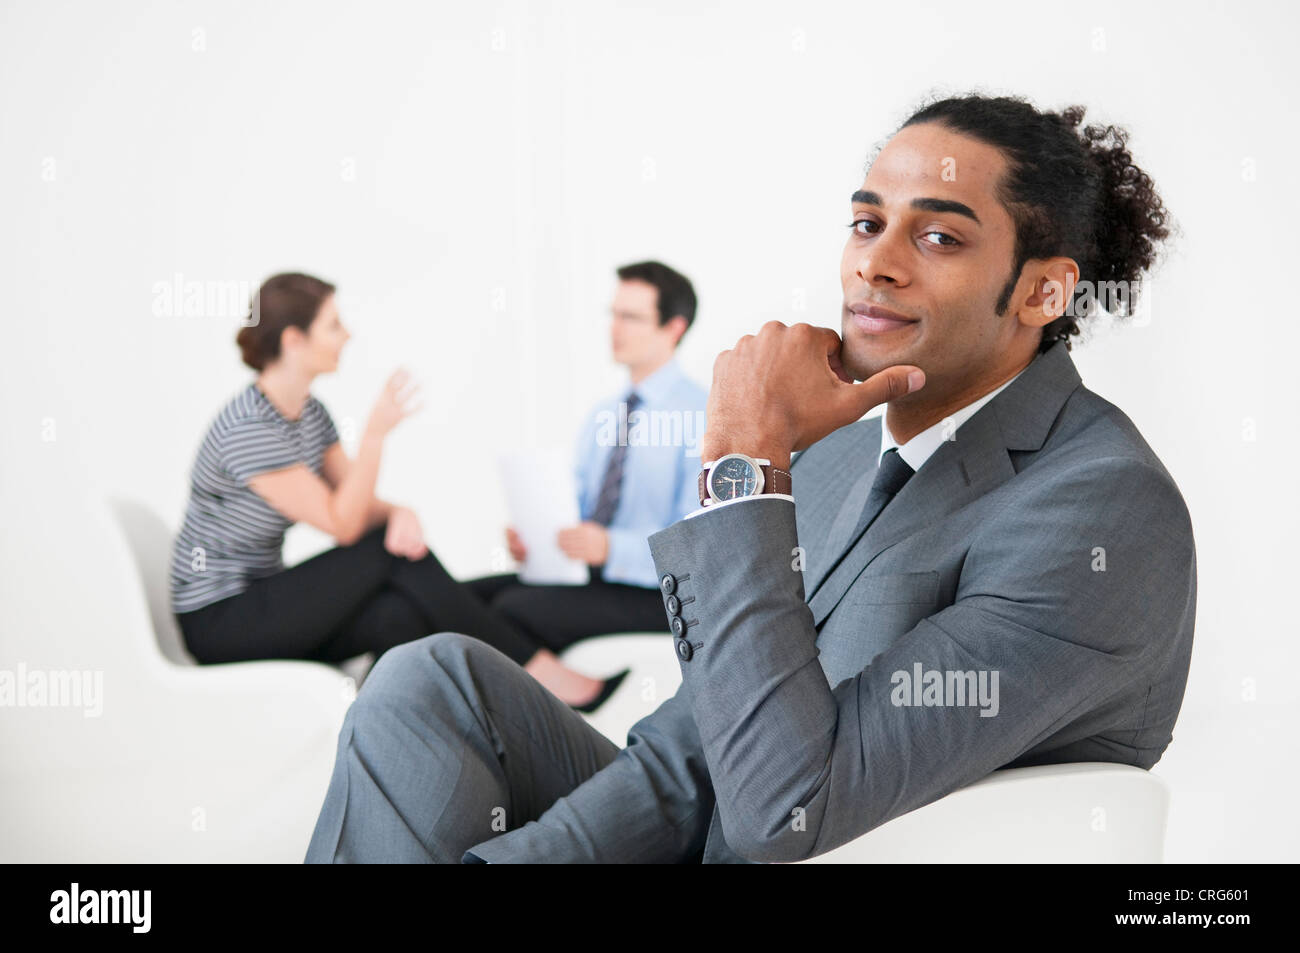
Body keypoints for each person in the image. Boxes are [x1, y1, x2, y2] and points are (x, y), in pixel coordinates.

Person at [305, 93, 1197, 864]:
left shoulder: (1102, 510)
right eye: (865, 221)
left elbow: (783, 809)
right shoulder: (846, 446)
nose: (873, 262)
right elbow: (693, 749)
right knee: (429, 681)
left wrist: (745, 455)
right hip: (720, 827)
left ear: (1043, 293)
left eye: (937, 235)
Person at [169, 273, 565, 689]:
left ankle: (374, 731)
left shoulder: (310, 414)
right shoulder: (249, 429)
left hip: (267, 599)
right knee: (385, 551)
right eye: (334, 325)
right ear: (293, 341)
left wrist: (398, 512)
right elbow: (345, 526)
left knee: (398, 614)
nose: (347, 335)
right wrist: (375, 434)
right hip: (220, 620)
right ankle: (534, 672)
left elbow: (354, 504)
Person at [464, 261, 708, 711]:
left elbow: (696, 544)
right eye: (613, 314)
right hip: (591, 574)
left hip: (657, 592)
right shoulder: (606, 411)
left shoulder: (702, 414)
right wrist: (537, 538)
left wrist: (609, 548)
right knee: (466, 597)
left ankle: (558, 704)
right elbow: (575, 503)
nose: (615, 329)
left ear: (674, 327)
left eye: (631, 317)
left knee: (513, 609)